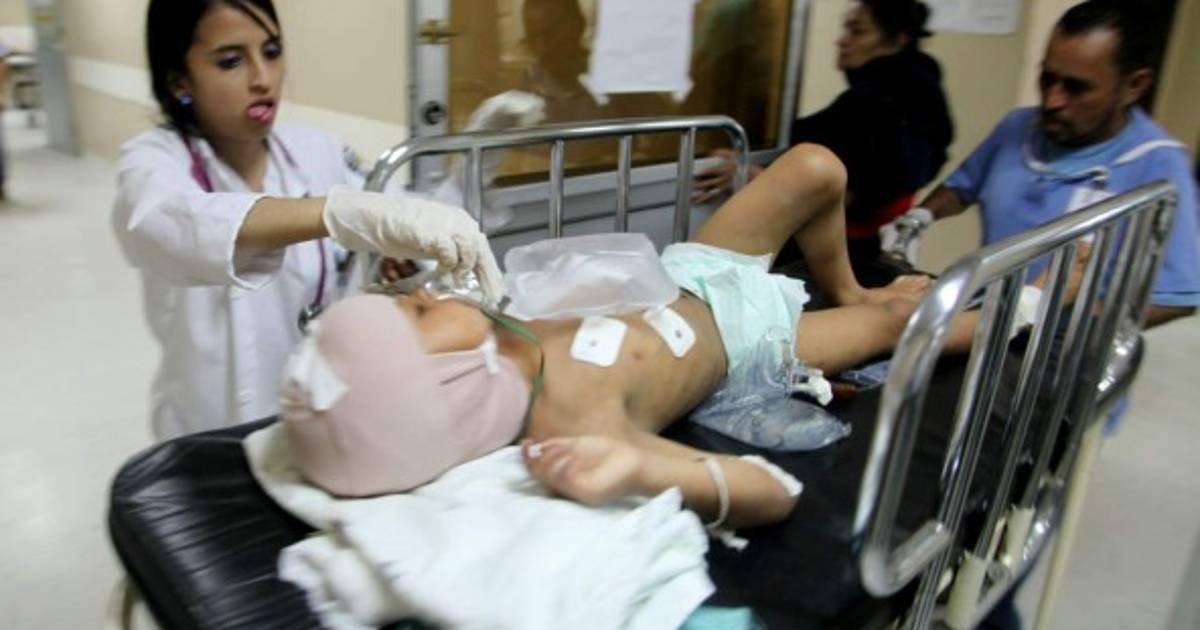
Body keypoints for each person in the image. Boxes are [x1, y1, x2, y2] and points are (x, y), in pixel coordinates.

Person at [279, 143, 1084, 530]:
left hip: (690, 271)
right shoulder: (571, 421)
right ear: (443, 390)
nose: (423, 295)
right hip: (751, 343)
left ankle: (851, 285)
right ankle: (1034, 305)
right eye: (417, 314)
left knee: (816, 168)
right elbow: (772, 493)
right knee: (900, 323)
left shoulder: (497, 332)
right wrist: (636, 467)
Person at [112, 0, 504, 441]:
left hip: (319, 421)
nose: (262, 79)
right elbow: (166, 226)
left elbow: (407, 215)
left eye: (272, 52)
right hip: (207, 432)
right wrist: (336, 214)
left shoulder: (316, 151)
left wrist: (479, 165)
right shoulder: (154, 160)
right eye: (231, 61)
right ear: (179, 81)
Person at [883, 0, 1199, 329]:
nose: (1052, 101)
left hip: (1065, 346)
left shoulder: (1160, 166)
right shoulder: (1018, 128)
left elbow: (1173, 300)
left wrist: (1053, 318)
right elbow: (961, 188)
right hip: (985, 325)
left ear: (1134, 86)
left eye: (1077, 88)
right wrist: (920, 218)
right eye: (1048, 79)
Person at [694, 0, 952, 283]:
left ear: (896, 41)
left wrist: (753, 175)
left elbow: (850, 190)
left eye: (858, 31)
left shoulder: (883, 104)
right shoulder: (911, 94)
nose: (842, 40)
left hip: (838, 263)